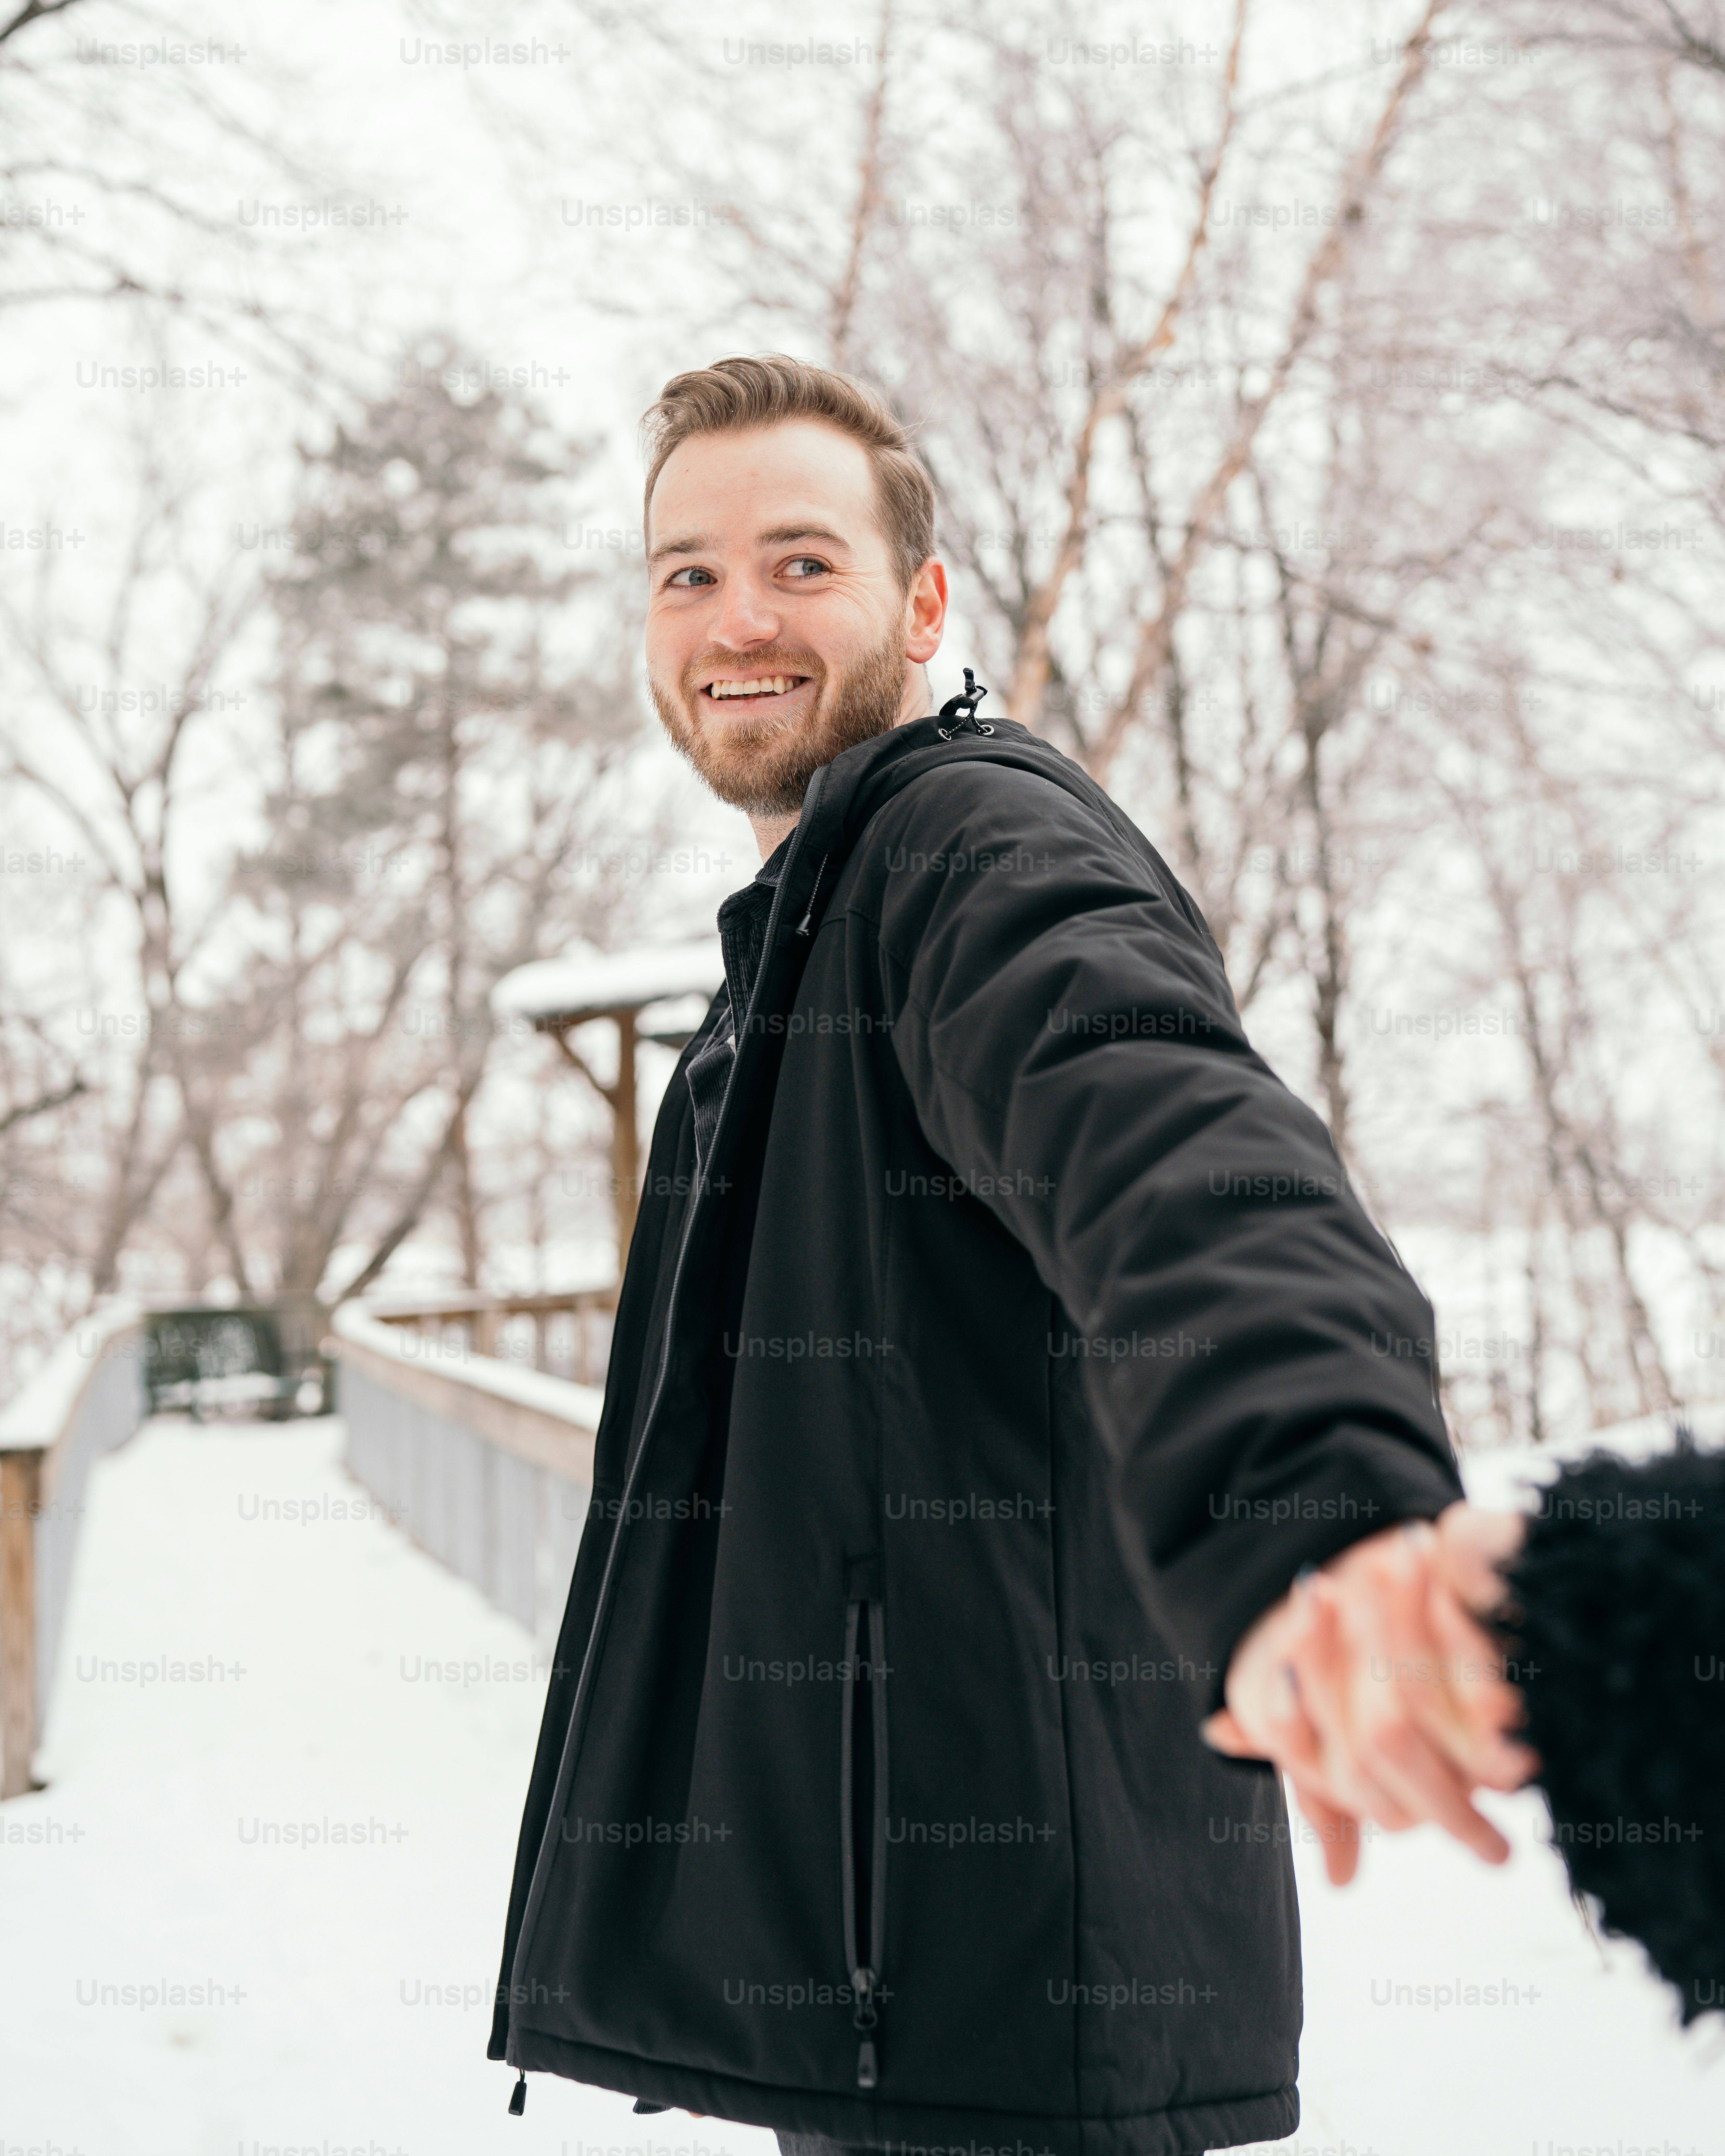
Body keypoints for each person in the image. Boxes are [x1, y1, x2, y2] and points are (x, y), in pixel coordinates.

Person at [487, 354, 1526, 2152]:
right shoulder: (788, 955)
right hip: (901, 1998)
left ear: (921, 600)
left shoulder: (971, 850)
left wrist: (1324, 1500)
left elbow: (1171, 1144)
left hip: (1007, 2009)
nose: (736, 616)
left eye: (801, 562)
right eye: (687, 573)